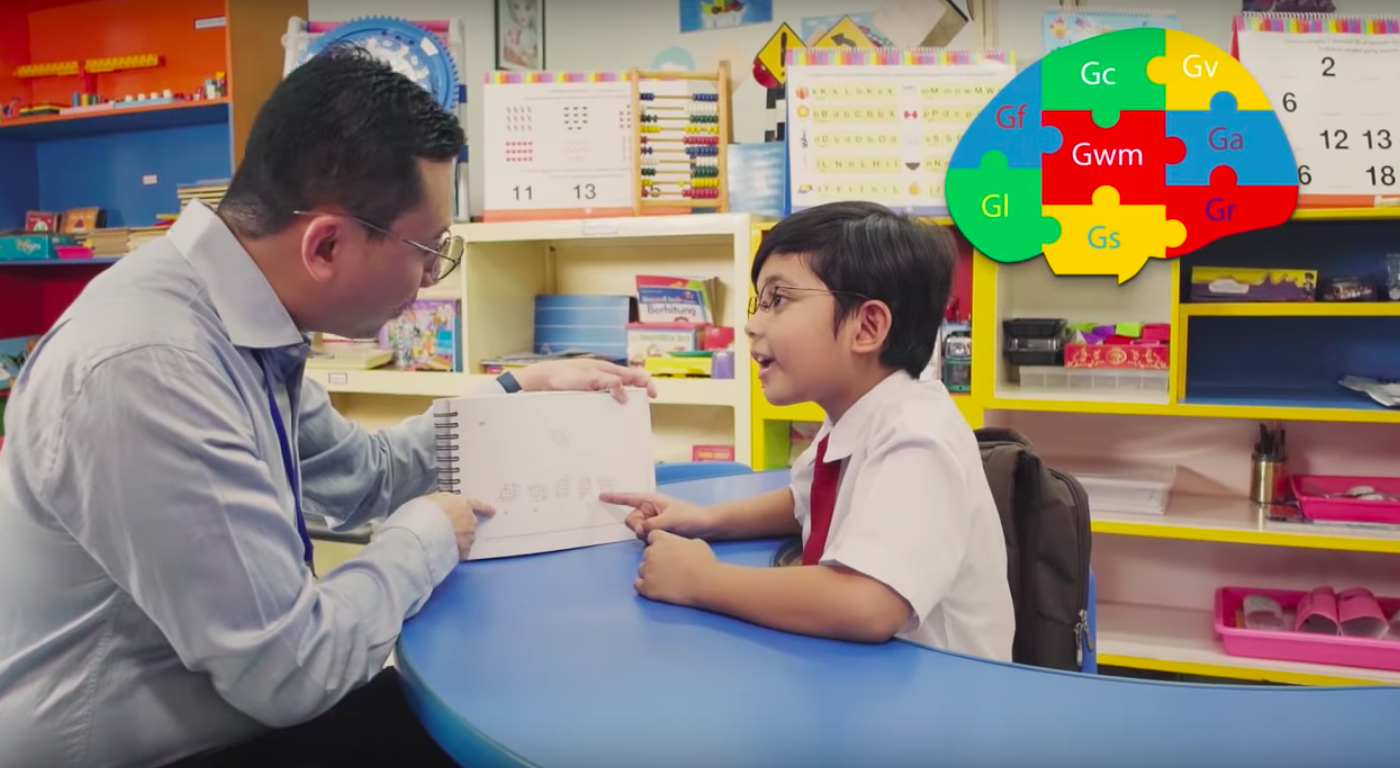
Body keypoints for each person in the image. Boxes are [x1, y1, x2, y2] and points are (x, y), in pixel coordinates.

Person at [0, 45, 652, 768]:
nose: (431, 276)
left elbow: (359, 476)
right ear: (327, 245)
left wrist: (514, 392)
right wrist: (425, 537)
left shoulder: (238, 314)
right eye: (427, 248)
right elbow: (295, 672)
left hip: (231, 710)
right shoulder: (150, 366)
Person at [601, 202, 1014, 661]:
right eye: (759, 302)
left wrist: (703, 581)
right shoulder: (855, 414)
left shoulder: (918, 436)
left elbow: (868, 604)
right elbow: (804, 501)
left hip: (939, 691)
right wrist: (707, 519)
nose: (751, 324)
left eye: (778, 299)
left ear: (867, 327)